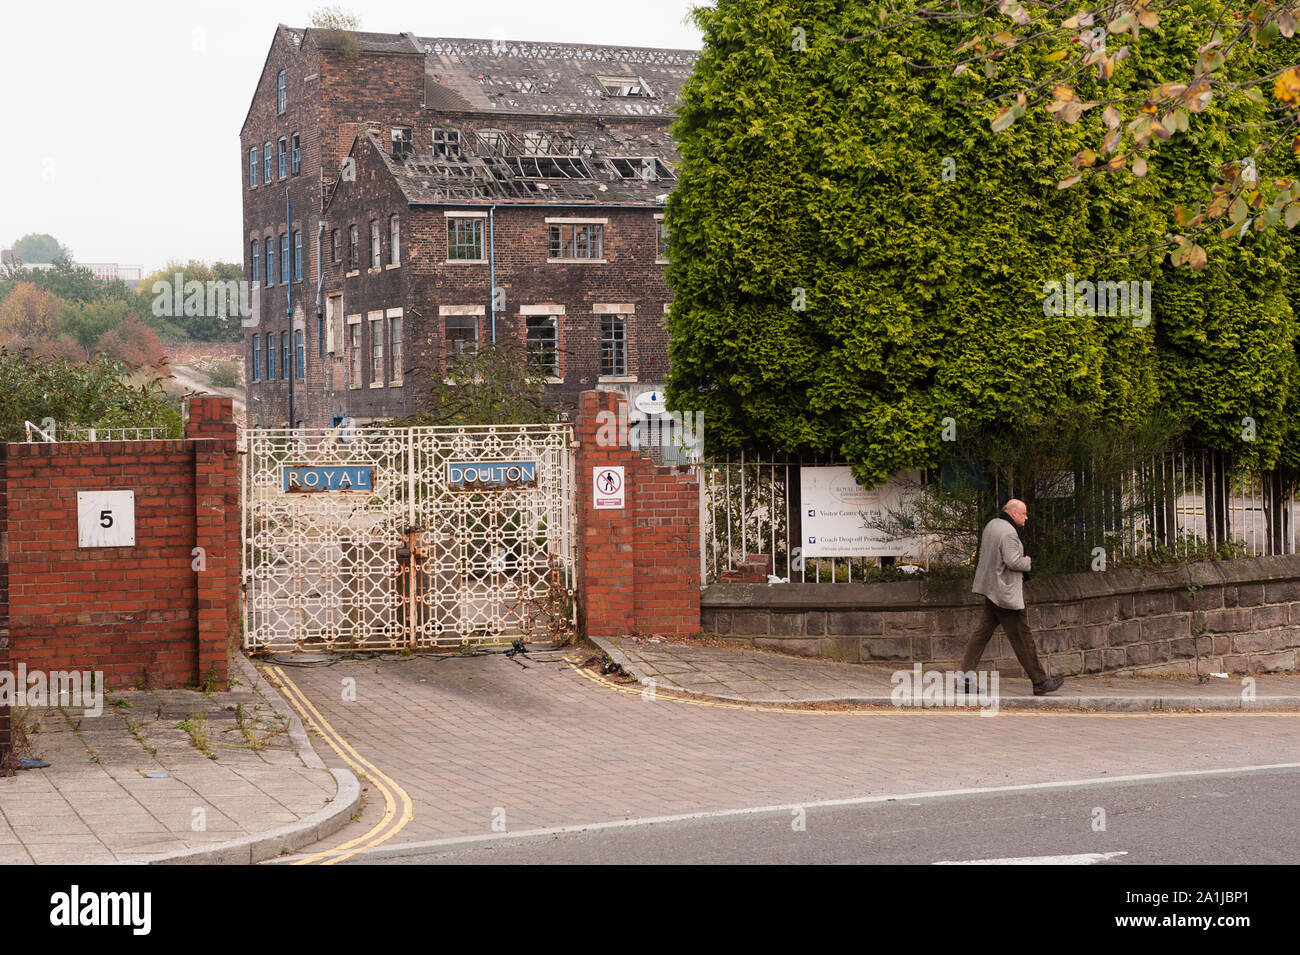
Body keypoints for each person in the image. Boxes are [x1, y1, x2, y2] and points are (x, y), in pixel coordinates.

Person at [961, 498, 1064, 696]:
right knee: (1023, 637)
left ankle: (964, 678)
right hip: (1005, 594)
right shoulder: (1009, 532)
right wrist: (1027, 561)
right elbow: (1012, 561)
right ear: (1013, 513)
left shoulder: (992, 525)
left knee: (981, 634)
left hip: (991, 589)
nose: (1027, 517)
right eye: (1024, 513)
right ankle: (1040, 682)